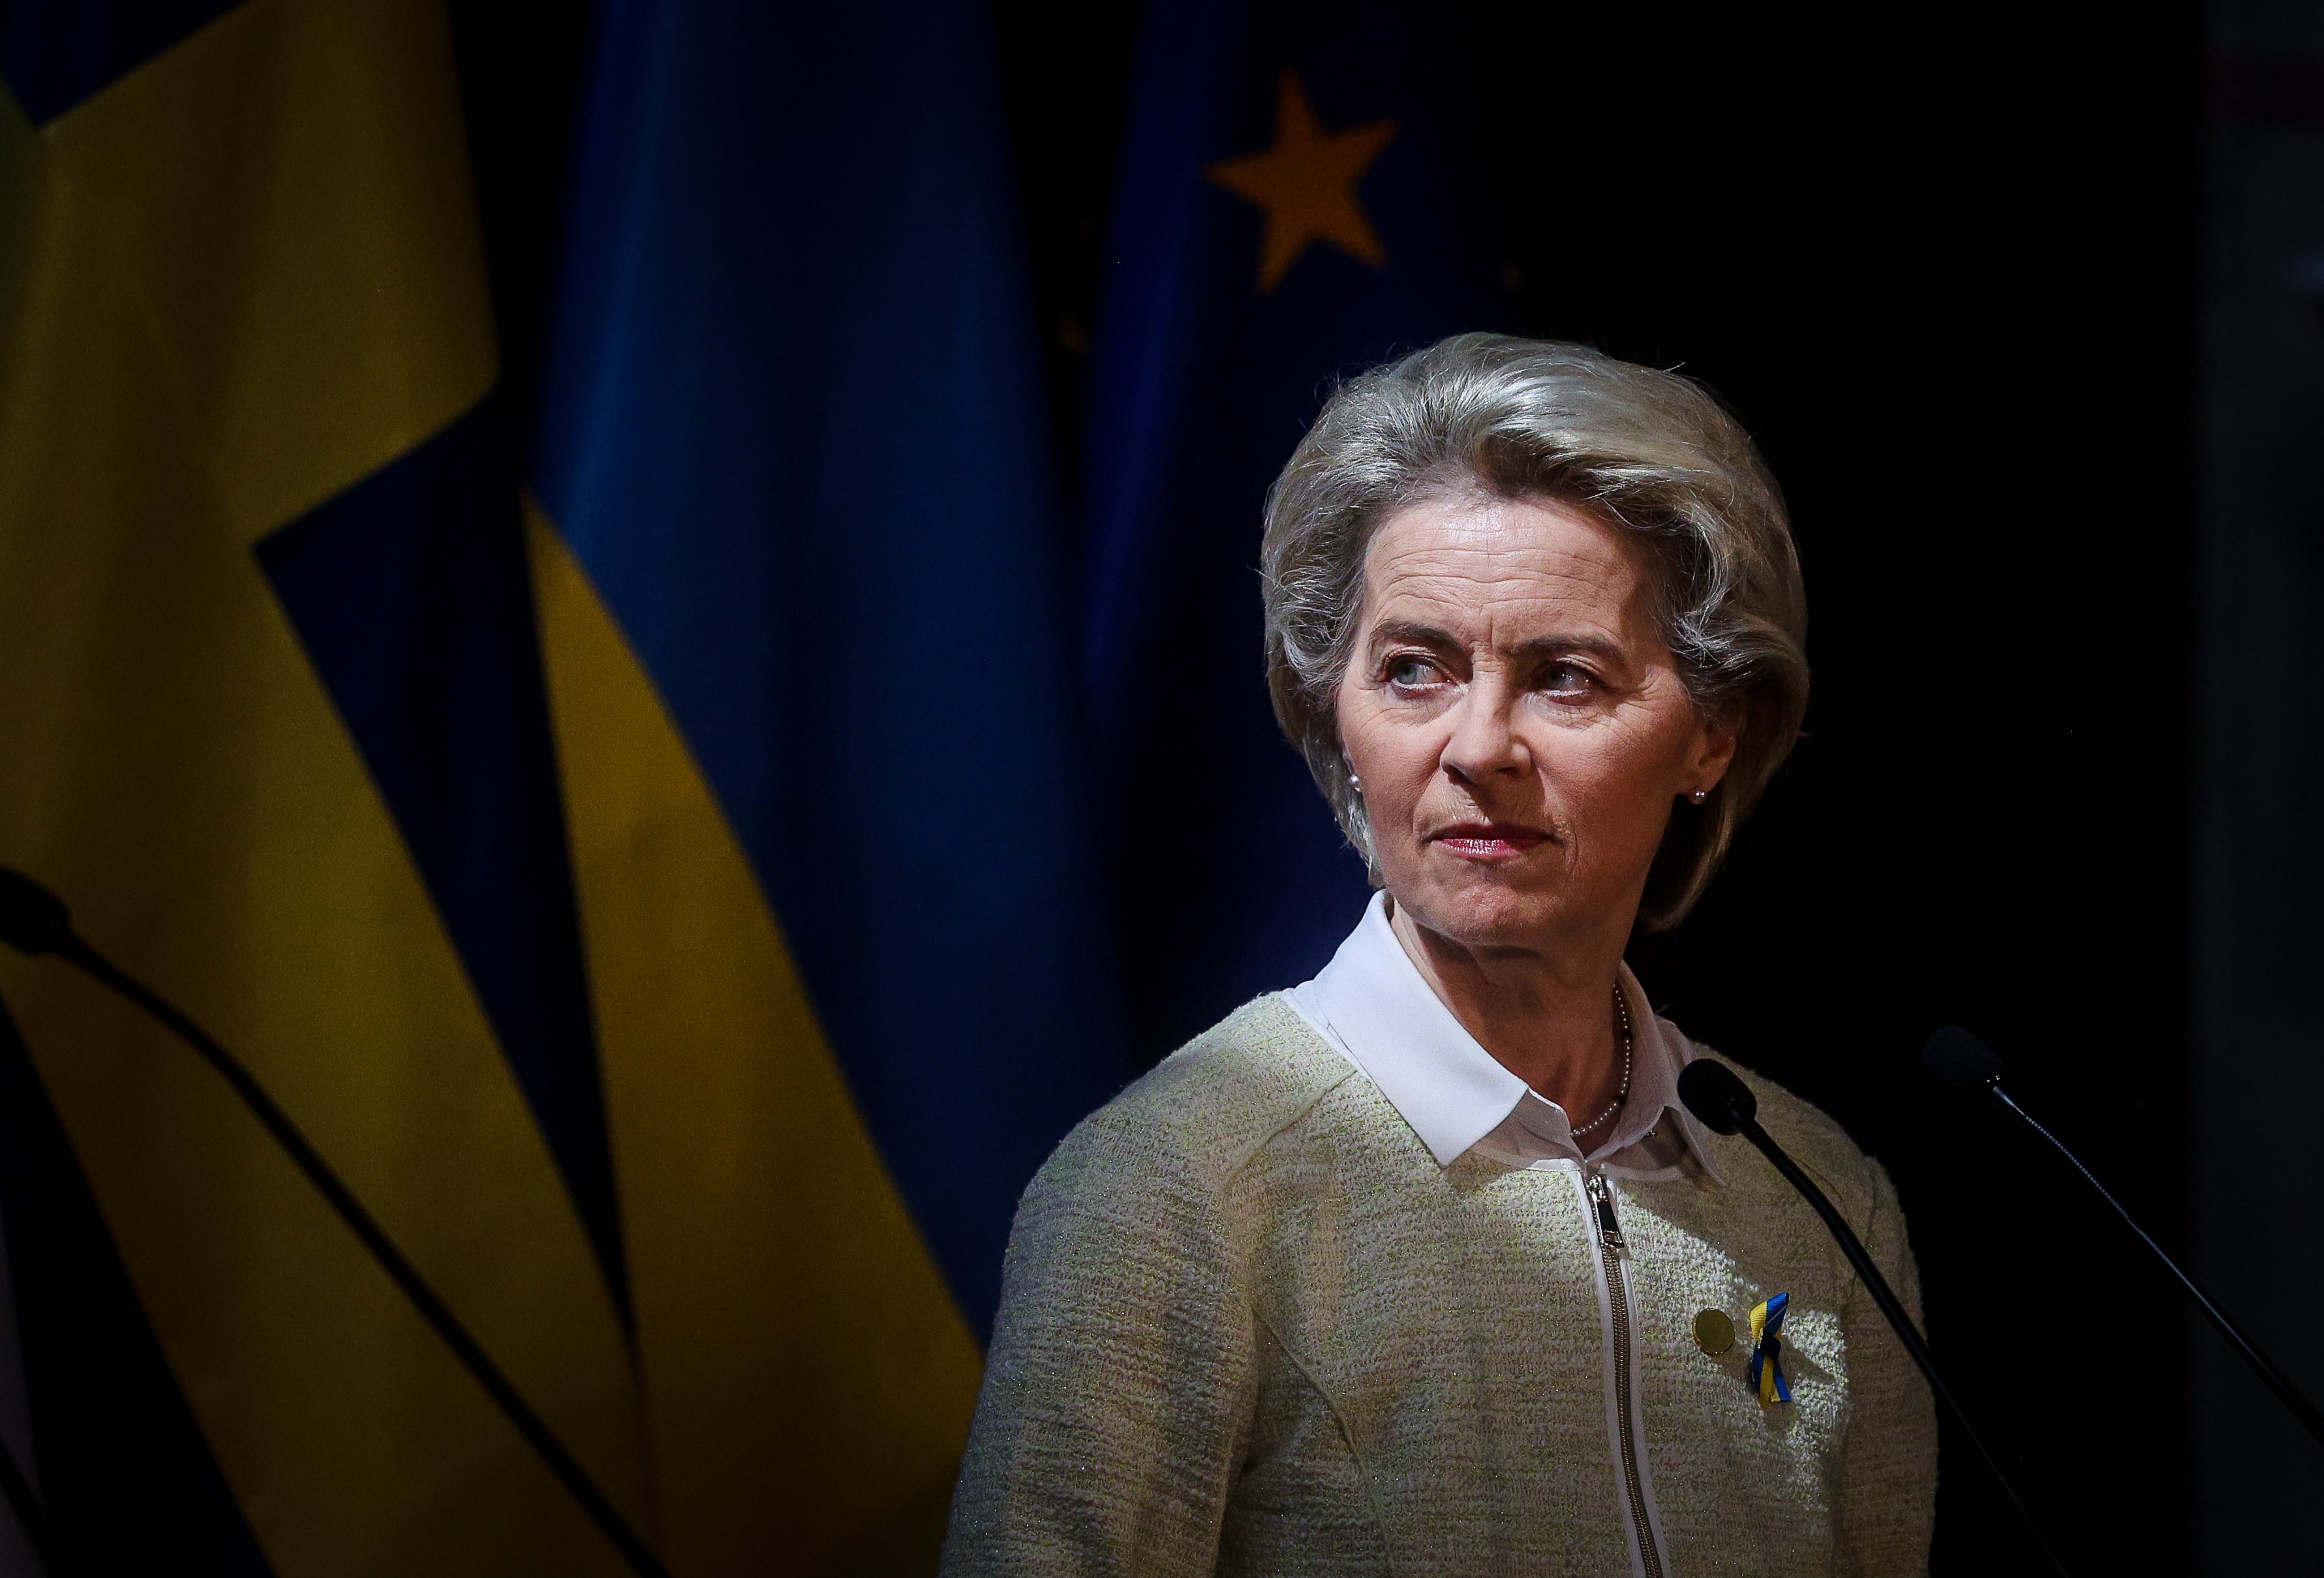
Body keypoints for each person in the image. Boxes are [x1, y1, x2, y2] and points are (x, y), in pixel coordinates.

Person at [940, 333, 1937, 1577]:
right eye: (1414, 670)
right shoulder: (1169, 1189)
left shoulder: (1819, 1200)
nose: (1477, 746)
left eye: (1564, 678)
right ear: (1333, 708)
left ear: (1712, 736)